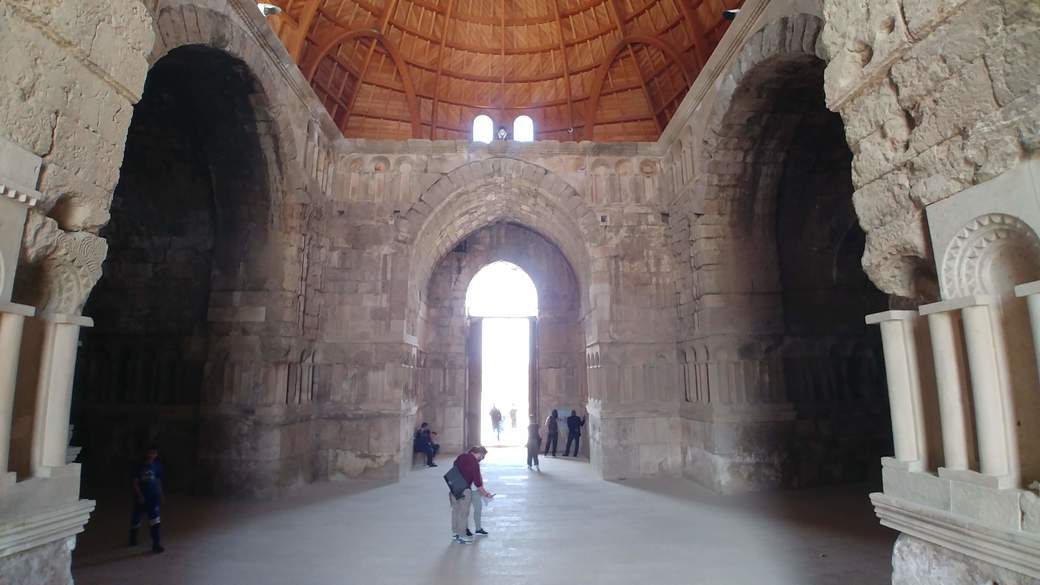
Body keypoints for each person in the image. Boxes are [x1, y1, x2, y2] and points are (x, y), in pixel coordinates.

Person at [450, 446, 494, 544]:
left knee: (455, 511)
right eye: (482, 456)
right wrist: (486, 494)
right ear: (479, 453)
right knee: (464, 513)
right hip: (464, 489)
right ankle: (462, 535)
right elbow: (478, 483)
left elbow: (454, 467)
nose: (481, 458)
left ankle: (455, 533)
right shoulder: (474, 463)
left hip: (454, 485)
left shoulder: (461, 456)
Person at [128, 445, 165, 554]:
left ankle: (156, 544)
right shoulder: (138, 466)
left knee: (155, 521)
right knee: (136, 519)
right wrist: (139, 495)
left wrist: (161, 493)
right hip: (142, 497)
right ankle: (133, 538)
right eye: (150, 452)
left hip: (153, 498)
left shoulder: (157, 466)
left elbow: (158, 481)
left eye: (154, 453)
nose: (152, 455)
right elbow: (135, 483)